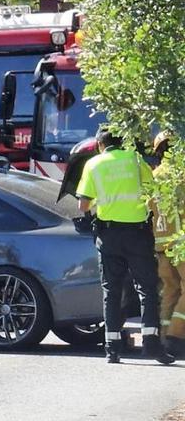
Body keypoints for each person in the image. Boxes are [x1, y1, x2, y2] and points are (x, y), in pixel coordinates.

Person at [76, 128, 175, 364]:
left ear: (100, 144)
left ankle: (112, 349)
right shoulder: (135, 159)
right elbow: (153, 191)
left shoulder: (93, 164)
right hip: (137, 234)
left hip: (108, 235)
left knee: (111, 290)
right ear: (122, 141)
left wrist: (101, 201)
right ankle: (151, 345)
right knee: (147, 289)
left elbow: (83, 205)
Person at [150, 131, 185, 358]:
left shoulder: (153, 177)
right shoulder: (180, 174)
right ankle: (175, 335)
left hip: (162, 246)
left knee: (170, 291)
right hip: (182, 244)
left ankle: (163, 338)